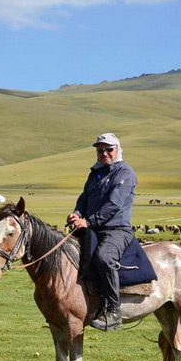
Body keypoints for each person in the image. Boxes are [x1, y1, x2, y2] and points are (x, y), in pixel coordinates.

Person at [67, 133, 137, 331]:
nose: (104, 153)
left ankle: (114, 311)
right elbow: (84, 199)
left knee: (104, 258)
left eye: (108, 149)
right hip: (92, 227)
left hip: (116, 229)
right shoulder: (95, 173)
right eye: (100, 150)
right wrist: (76, 214)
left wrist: (88, 221)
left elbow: (114, 205)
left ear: (117, 150)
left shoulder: (125, 172)